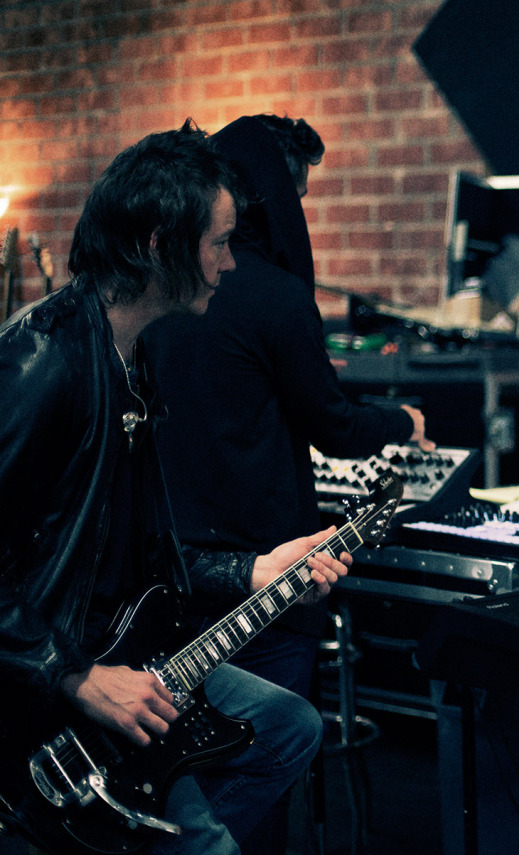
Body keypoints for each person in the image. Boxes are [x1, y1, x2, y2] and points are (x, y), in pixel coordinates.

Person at [0, 120, 352, 855]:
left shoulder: (138, 354)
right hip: (49, 690)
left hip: (120, 651)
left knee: (291, 726)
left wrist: (254, 569)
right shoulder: (43, 359)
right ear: (161, 245)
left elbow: (137, 554)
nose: (230, 263)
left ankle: (125, 825)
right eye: (220, 242)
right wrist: (73, 676)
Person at [143, 114, 433, 853]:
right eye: (295, 193)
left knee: (174, 767)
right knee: (266, 765)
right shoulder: (272, 295)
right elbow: (334, 424)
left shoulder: (156, 295)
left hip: (164, 577)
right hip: (266, 572)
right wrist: (403, 421)